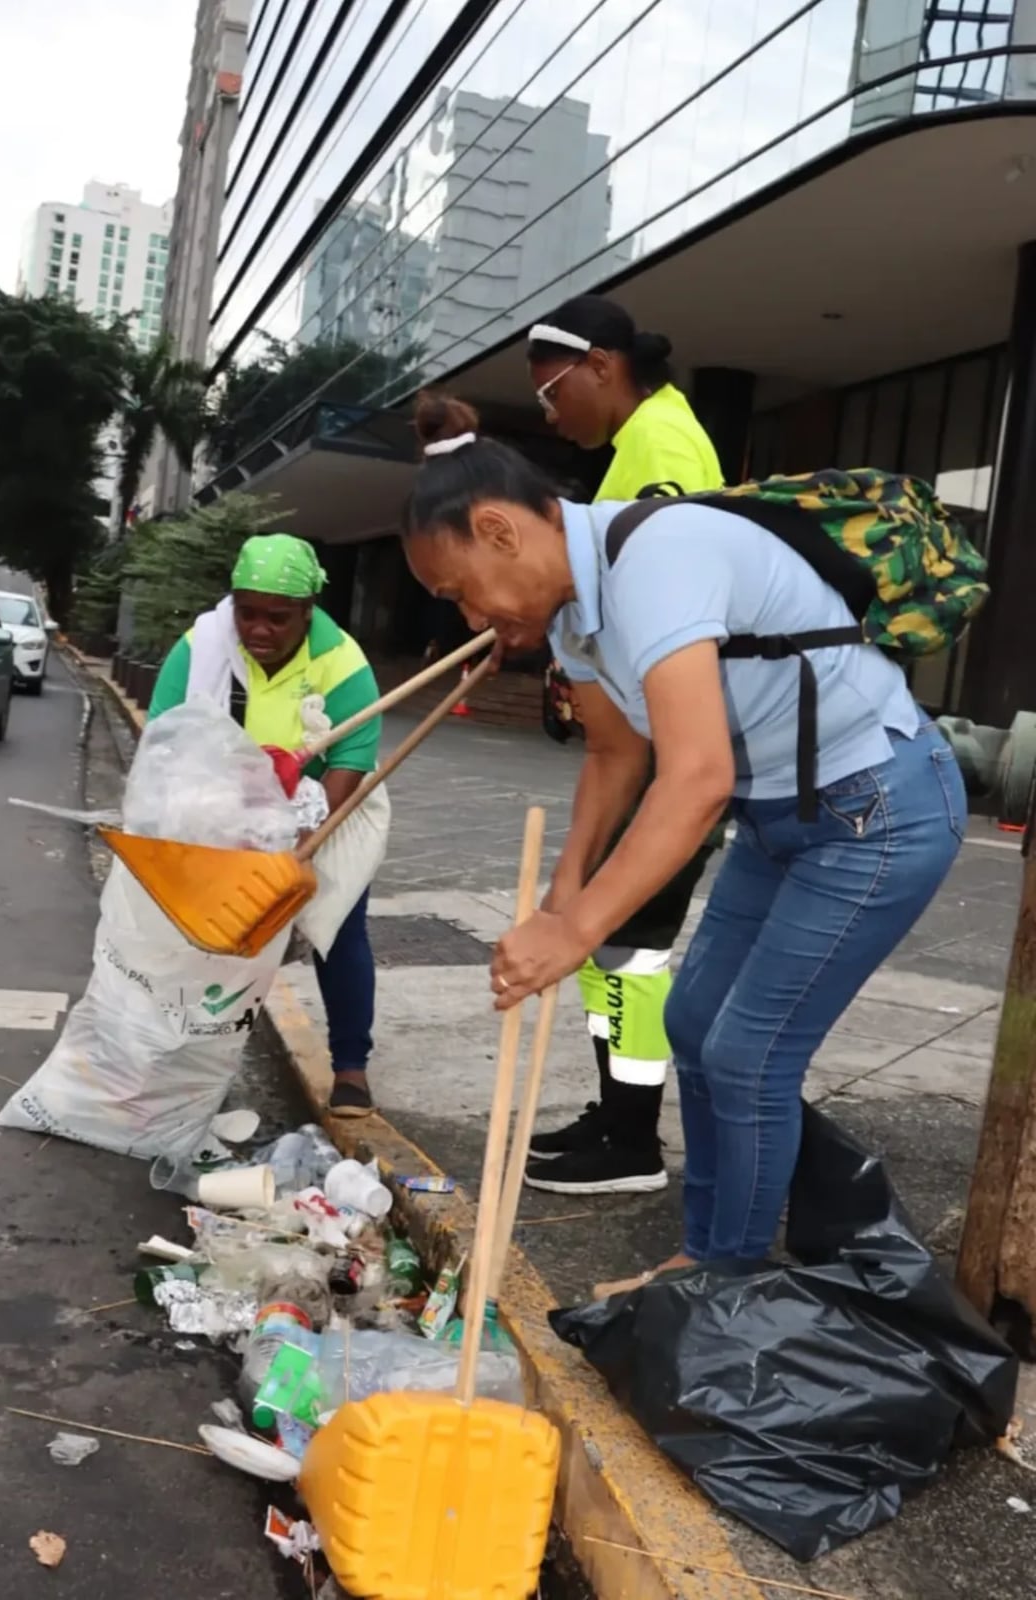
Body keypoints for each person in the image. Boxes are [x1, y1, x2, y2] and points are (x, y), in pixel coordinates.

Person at [401, 393, 966, 1285]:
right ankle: (710, 1255)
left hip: (879, 807)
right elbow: (617, 755)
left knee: (750, 1052)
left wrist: (577, 934)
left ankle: (723, 1277)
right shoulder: (574, 613)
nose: (471, 618)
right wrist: (564, 891)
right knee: (693, 1021)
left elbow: (694, 776)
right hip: (778, 813)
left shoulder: (656, 557)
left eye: (458, 590)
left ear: (500, 531)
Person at [523, 295, 724, 1196]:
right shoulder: (637, 445)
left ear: (602, 365)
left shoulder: (666, 446)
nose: (552, 414)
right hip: (638, 736)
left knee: (633, 942)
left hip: (670, 743)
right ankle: (614, 1111)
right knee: (609, 943)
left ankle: (634, 1139)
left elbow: (663, 600)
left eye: (552, 391)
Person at [148, 533, 383, 1117]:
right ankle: (197, 1060)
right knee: (213, 939)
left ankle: (351, 1066)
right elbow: (164, 733)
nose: (258, 630)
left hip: (326, 807)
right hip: (223, 807)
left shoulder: (341, 661)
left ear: (308, 612)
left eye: (278, 619)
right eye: (247, 613)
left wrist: (306, 840)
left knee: (338, 929)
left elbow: (352, 760)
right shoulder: (201, 646)